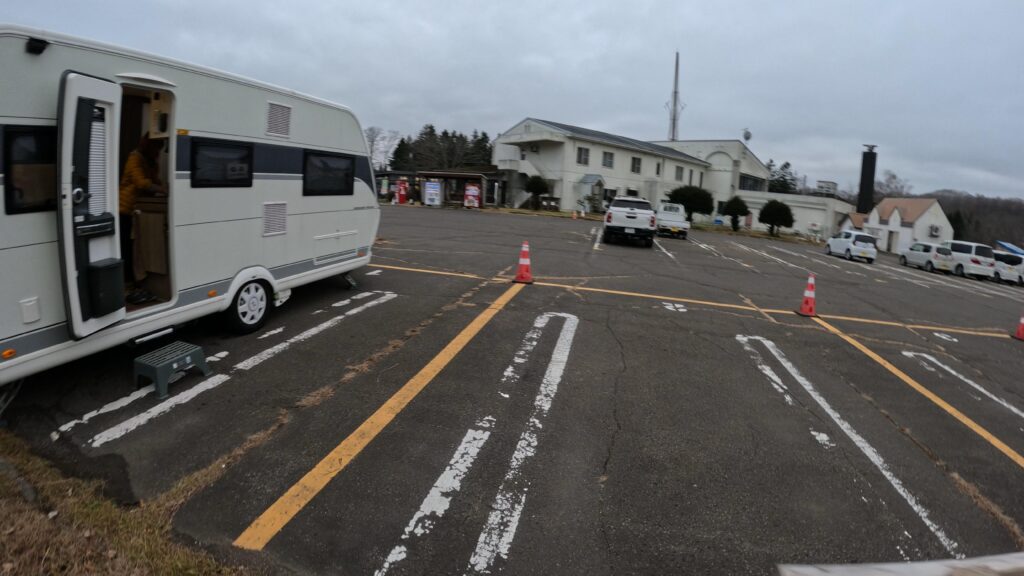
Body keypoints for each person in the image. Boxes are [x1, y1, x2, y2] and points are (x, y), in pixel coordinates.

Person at [118, 133, 164, 304]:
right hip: (125, 210)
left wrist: (161, 185)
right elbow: (141, 182)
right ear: (148, 145)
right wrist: (161, 189)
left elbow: (154, 180)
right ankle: (127, 287)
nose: (158, 152)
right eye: (156, 148)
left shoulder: (150, 161)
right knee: (127, 249)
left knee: (136, 249)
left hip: (137, 210)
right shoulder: (135, 158)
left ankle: (135, 284)